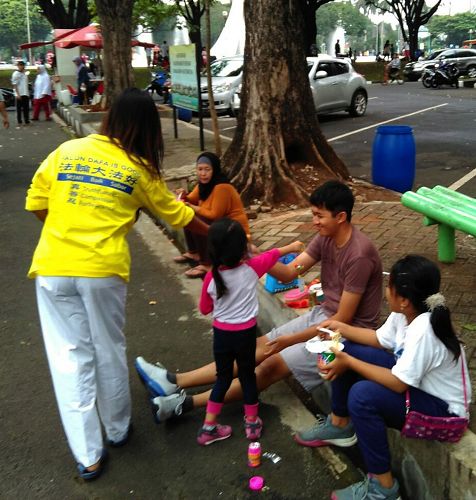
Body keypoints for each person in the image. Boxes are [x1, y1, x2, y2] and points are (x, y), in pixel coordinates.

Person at [25, 88, 208, 480]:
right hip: (102, 270)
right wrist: (226, 236)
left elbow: (36, 201)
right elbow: (178, 215)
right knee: (108, 349)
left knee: (70, 359)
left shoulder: (66, 152)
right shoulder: (138, 168)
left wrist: (65, 231)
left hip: (53, 267)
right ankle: (118, 429)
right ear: (146, 128)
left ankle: (88, 455)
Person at [135, 180, 383, 423]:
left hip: (348, 333)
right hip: (324, 316)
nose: (314, 221)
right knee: (257, 347)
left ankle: (184, 403)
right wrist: (253, 254)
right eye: (313, 214)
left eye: (319, 216)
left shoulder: (359, 255)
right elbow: (289, 273)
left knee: (270, 366)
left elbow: (343, 320)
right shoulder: (326, 237)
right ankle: (173, 381)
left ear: (340, 217)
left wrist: (290, 340)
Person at [295, 255, 471, 500]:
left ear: (404, 300)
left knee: (362, 396)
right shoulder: (404, 315)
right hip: (418, 389)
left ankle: (383, 488)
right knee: (348, 347)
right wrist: (340, 328)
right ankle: (340, 426)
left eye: (390, 288)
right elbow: (378, 339)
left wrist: (348, 363)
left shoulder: (424, 331)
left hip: (444, 414)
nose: (386, 291)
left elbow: (398, 384)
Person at [193, 218, 304, 445]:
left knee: (222, 379)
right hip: (245, 336)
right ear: (243, 248)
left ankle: (209, 427)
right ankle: (252, 423)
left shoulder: (210, 277)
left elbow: (205, 309)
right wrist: (292, 247)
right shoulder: (252, 267)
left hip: (222, 337)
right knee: (247, 376)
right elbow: (272, 255)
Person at [173, 152, 251, 279]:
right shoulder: (203, 184)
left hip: (235, 232)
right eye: (200, 169)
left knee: (197, 218)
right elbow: (191, 199)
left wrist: (192, 207)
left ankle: (207, 264)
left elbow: (214, 215)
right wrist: (184, 194)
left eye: (207, 170)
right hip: (221, 226)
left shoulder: (222, 187)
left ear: (214, 170)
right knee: (186, 213)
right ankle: (194, 253)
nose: (203, 173)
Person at [11, 61, 30, 126]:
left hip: (25, 93)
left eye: (23, 65)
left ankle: (26, 120)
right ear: (18, 66)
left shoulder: (24, 73)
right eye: (20, 65)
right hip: (19, 93)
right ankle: (19, 121)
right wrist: (17, 94)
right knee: (19, 109)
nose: (22, 66)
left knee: (26, 108)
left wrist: (24, 72)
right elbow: (14, 85)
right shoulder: (16, 74)